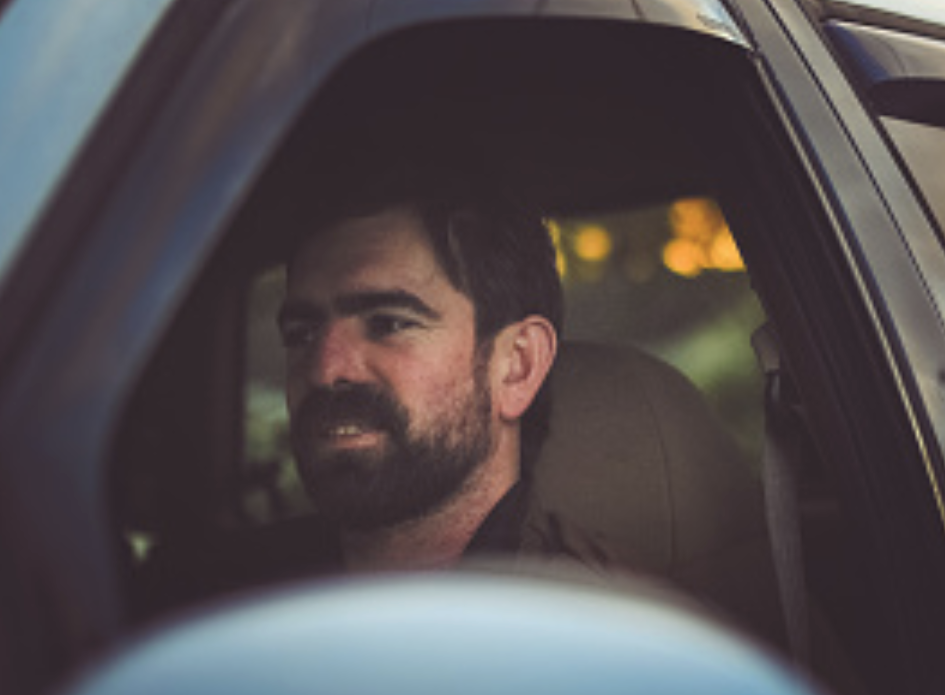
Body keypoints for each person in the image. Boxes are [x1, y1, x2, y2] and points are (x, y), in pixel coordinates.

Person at [132, 167, 604, 615]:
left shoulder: (598, 640)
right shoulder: (217, 601)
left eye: (389, 324)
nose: (324, 370)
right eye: (302, 334)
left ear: (516, 366)